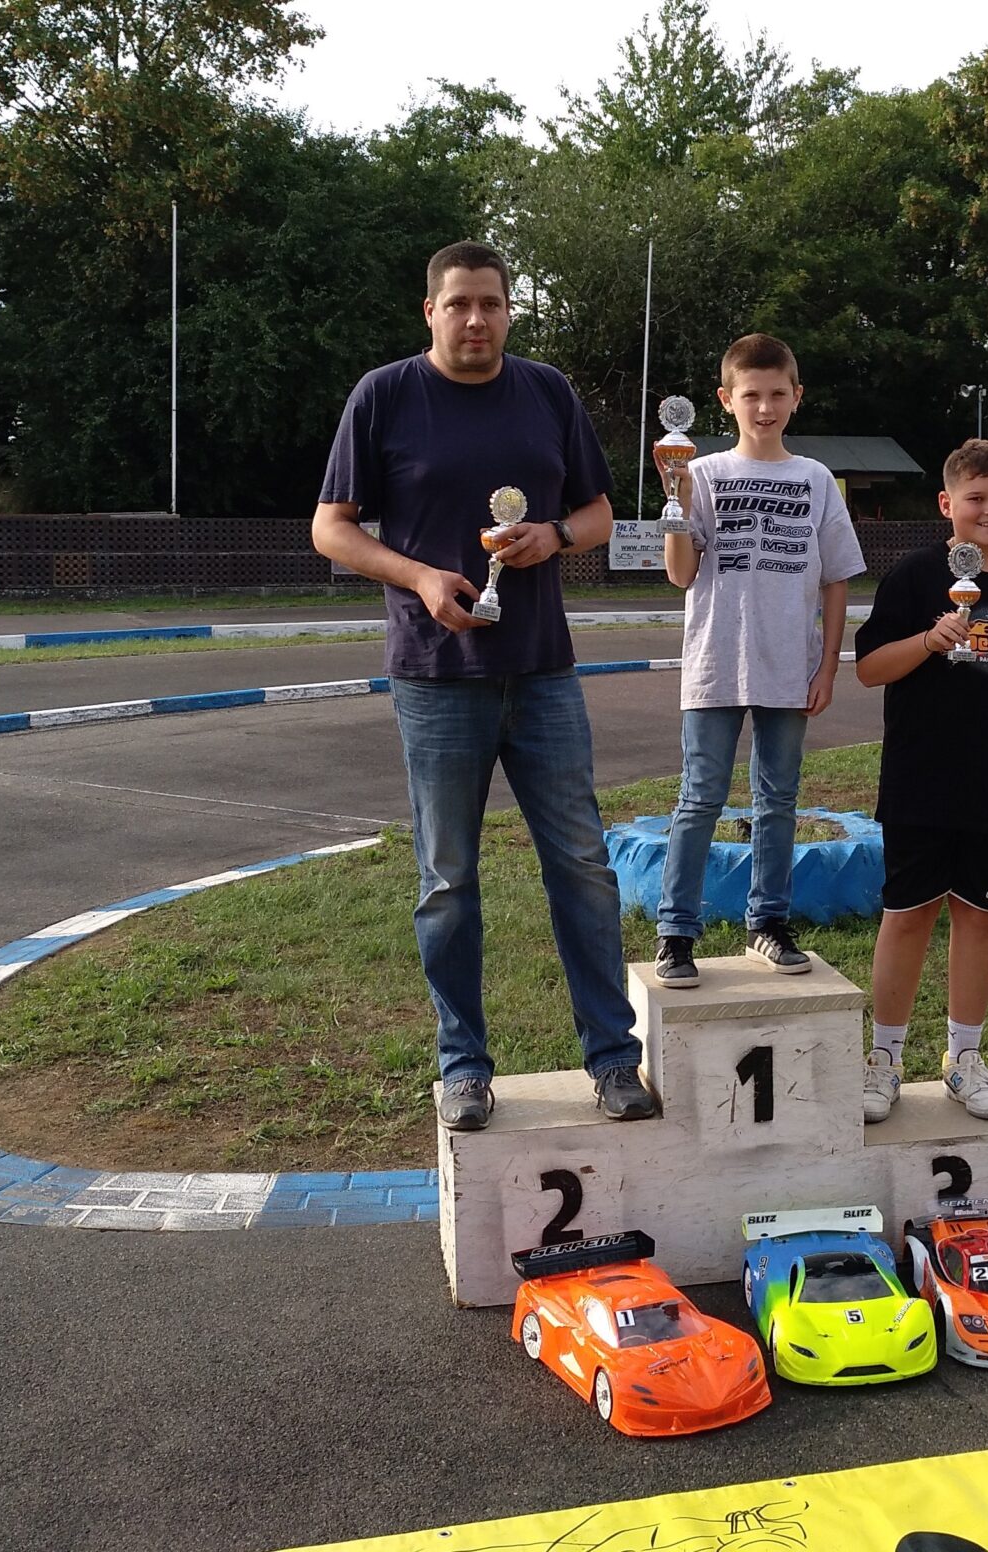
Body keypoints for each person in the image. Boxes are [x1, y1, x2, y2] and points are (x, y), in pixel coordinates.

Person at [309, 240, 656, 1132]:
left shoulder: (547, 392)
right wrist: (420, 578)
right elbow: (331, 529)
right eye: (458, 304)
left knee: (582, 866)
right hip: (436, 679)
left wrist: (554, 537)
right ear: (430, 311)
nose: (475, 320)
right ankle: (463, 1065)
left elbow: (598, 512)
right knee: (447, 879)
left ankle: (614, 1059)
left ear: (509, 310)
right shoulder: (384, 396)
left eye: (491, 304)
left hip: (542, 671)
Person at [850, 438, 988, 1123]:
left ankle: (964, 1058)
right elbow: (868, 668)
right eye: (976, 498)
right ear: (947, 504)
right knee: (908, 915)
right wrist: (928, 640)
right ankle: (883, 1058)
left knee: (981, 920)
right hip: (920, 781)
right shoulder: (914, 577)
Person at [652, 333, 866, 989]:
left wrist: (829, 664)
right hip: (716, 664)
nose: (765, 408)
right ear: (727, 400)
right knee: (699, 799)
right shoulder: (705, 474)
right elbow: (681, 576)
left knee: (778, 802)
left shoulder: (815, 480)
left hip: (789, 667)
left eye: (777, 395)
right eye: (752, 396)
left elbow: (837, 579)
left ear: (796, 397)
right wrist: (678, 505)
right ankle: (675, 934)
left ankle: (768, 924)